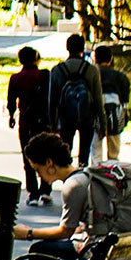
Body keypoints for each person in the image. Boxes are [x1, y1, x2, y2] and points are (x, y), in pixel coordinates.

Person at [13, 131, 131, 260]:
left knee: (40, 250)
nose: (38, 175)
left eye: (38, 169)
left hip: (99, 250)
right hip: (117, 245)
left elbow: (65, 231)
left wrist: (28, 233)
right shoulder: (86, 175)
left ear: (49, 163)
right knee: (49, 247)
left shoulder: (73, 185)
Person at [47, 34, 105, 167]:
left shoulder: (57, 70)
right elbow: (98, 98)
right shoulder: (91, 70)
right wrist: (102, 123)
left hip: (66, 117)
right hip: (87, 117)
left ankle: (69, 178)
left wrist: (52, 122)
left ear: (67, 48)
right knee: (84, 153)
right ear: (83, 48)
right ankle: (82, 177)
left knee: (66, 151)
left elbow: (52, 99)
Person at [5, 46, 52, 205]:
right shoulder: (44, 75)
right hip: (44, 122)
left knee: (28, 157)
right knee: (46, 155)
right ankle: (45, 188)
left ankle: (32, 192)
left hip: (25, 122)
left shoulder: (16, 78)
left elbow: (11, 101)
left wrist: (12, 116)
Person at [95, 45, 131, 160]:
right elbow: (125, 100)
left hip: (96, 113)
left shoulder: (93, 75)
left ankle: (97, 172)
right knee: (114, 151)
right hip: (115, 114)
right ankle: (112, 170)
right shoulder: (120, 76)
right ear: (111, 58)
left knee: (96, 151)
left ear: (95, 58)